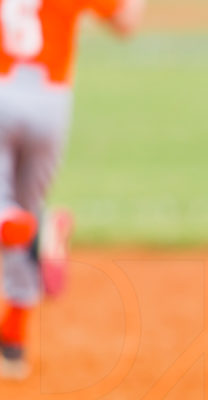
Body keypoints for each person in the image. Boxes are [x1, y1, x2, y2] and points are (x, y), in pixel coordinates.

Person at [0, 0, 145, 379]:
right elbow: (127, 22)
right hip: (52, 102)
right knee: (27, 206)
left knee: (10, 214)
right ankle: (12, 345)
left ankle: (26, 226)